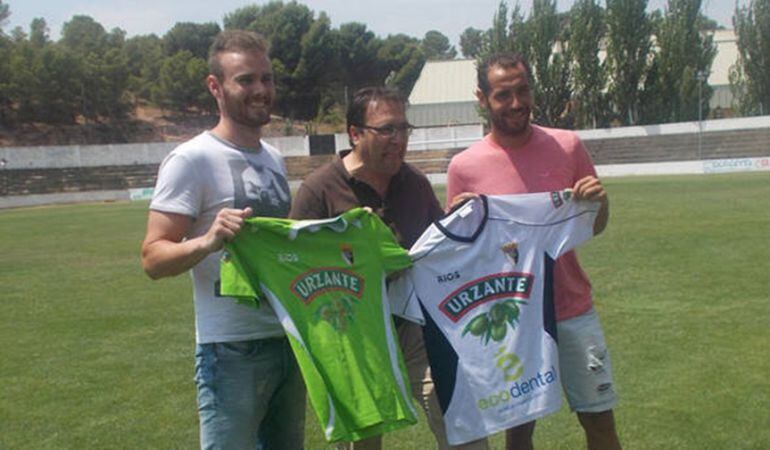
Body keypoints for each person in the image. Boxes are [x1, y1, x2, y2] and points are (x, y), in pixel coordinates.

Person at [290, 86, 488, 450]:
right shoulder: (319, 191)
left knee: (463, 422)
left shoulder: (414, 183)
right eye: (386, 130)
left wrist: (458, 221)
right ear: (354, 134)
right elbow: (295, 270)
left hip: (416, 331)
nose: (398, 140)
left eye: (403, 129)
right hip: (354, 339)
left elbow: (436, 252)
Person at [446, 53, 621, 450]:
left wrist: (600, 202)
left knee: (600, 421)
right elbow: (463, 254)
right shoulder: (465, 166)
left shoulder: (567, 145)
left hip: (572, 309)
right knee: (519, 430)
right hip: (513, 318)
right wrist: (459, 222)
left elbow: (593, 225)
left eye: (522, 90)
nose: (516, 103)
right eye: (503, 95)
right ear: (482, 98)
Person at [140, 30, 304, 450]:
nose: (261, 90)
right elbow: (153, 258)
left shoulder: (273, 158)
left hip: (286, 337)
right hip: (230, 348)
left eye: (266, 79)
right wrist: (208, 241)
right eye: (245, 80)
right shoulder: (191, 159)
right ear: (215, 87)